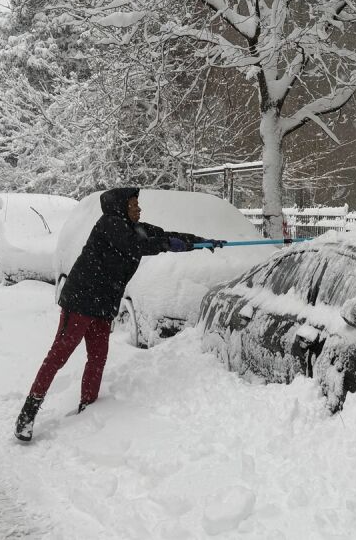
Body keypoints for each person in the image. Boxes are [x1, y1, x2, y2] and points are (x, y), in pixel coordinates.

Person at [14, 187, 225, 442]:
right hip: (80, 301)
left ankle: (87, 409)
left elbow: (163, 235)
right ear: (121, 207)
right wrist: (168, 244)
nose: (139, 208)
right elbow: (138, 245)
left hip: (102, 305)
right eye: (134, 204)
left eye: (138, 204)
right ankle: (28, 412)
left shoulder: (131, 226)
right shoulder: (110, 226)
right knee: (59, 355)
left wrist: (200, 242)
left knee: (98, 358)